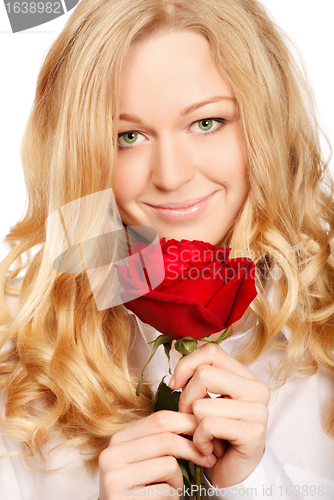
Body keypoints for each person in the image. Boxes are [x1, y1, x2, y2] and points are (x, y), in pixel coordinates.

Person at [0, 0, 333, 499]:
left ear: (268, 126)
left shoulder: (323, 342)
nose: (172, 176)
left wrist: (252, 485)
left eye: (207, 123)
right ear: (84, 154)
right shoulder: (22, 369)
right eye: (128, 136)